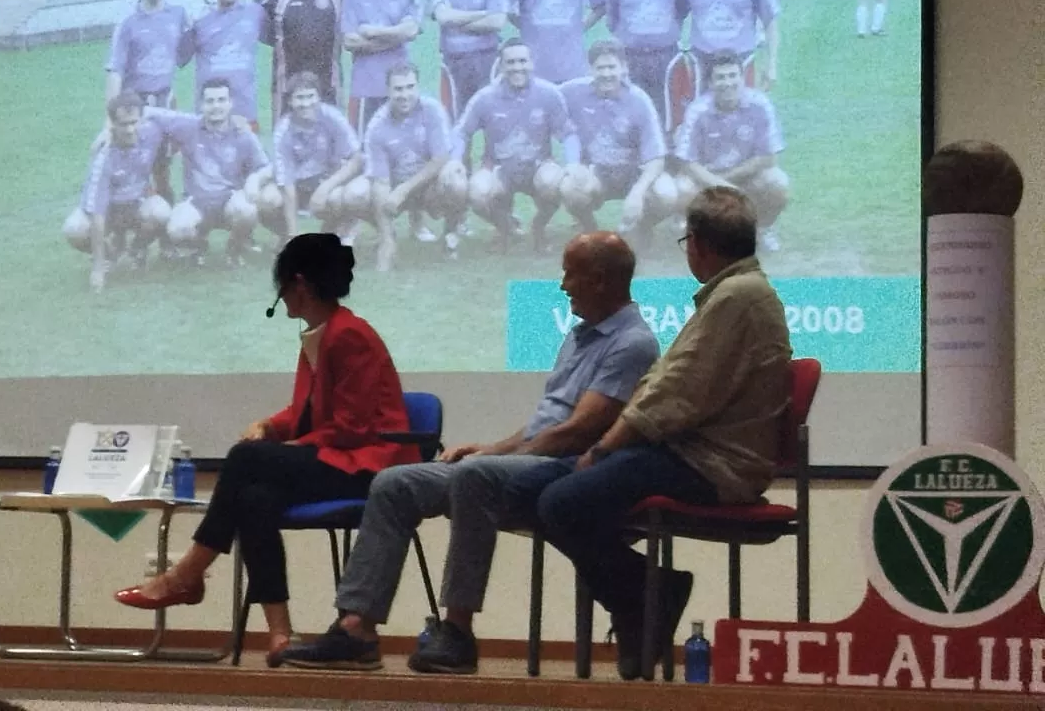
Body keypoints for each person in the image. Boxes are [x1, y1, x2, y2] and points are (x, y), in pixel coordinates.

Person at [280, 233, 658, 673]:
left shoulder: (633, 342)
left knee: (473, 477)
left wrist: (488, 462)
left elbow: (579, 432)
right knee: (395, 483)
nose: (562, 285)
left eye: (569, 273)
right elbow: (546, 424)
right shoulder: (580, 336)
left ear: (599, 279)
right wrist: (489, 449)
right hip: (532, 459)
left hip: (569, 471)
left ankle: (457, 631)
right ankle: (356, 629)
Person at [113, 233, 417, 665]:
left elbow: (352, 428)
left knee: (245, 458)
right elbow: (307, 410)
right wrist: (271, 427)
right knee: (254, 497)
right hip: (336, 457)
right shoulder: (322, 334)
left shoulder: (350, 336)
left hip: (368, 464)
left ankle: (186, 574)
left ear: (299, 285)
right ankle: (280, 633)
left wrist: (290, 445)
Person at [535, 186, 792, 680]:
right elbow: (670, 381)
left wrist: (606, 445)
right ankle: (644, 603)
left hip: (712, 465)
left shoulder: (736, 297)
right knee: (566, 494)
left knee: (559, 502)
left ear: (697, 243)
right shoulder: (735, 292)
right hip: (697, 455)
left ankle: (650, 597)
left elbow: (677, 391)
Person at [442, 38, 578, 254]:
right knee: (477, 193)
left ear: (532, 63)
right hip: (498, 169)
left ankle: (539, 227)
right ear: (501, 65)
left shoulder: (549, 94)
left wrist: (573, 164)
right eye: (511, 62)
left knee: (555, 182)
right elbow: (461, 131)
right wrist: (456, 160)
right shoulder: (485, 97)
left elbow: (568, 134)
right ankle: (507, 227)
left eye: (522, 61)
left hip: (538, 166)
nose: (517, 68)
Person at [559, 40, 677, 243]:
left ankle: (640, 226)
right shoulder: (572, 92)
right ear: (590, 69)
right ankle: (590, 229)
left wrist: (637, 193)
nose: (606, 74)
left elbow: (657, 158)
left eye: (612, 67)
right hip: (596, 172)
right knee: (569, 187)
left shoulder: (640, 100)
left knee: (667, 194)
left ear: (624, 67)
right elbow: (542, 96)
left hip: (634, 172)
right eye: (600, 68)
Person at [343, 63, 458, 269]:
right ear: (387, 91)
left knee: (455, 179)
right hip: (393, 189)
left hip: (427, 186)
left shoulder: (432, 110)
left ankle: (450, 236)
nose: (405, 94)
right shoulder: (377, 125)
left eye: (410, 87)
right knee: (354, 194)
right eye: (398, 89)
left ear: (417, 87)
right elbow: (380, 182)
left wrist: (404, 190)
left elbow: (440, 158)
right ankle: (387, 237)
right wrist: (387, 238)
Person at [675, 51, 790, 251]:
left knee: (778, 182)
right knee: (681, 188)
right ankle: (695, 232)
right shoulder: (698, 110)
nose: (727, 82)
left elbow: (769, 157)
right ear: (710, 84)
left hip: (744, 175)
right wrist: (719, 185)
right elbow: (687, 163)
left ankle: (763, 229)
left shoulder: (760, 105)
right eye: (720, 77)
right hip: (706, 178)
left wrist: (727, 181)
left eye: (732, 75)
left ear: (742, 77)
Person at [150, 79, 272, 265]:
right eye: (210, 101)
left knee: (247, 210)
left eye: (222, 100)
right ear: (201, 104)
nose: (216, 106)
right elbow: (147, 112)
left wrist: (254, 179)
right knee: (176, 229)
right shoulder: (188, 125)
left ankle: (235, 245)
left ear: (231, 103)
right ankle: (199, 245)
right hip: (197, 202)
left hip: (230, 201)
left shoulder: (242, 132)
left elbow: (266, 166)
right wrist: (111, 127)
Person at [63, 92, 173, 290]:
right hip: (108, 213)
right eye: (124, 124)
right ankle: (109, 255)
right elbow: (98, 215)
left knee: (162, 212)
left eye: (134, 122)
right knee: (74, 229)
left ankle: (136, 249)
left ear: (141, 119)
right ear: (112, 124)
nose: (130, 130)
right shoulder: (104, 157)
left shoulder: (151, 133)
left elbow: (179, 120)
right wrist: (97, 268)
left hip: (135, 206)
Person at [258, 71, 364, 239]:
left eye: (310, 96)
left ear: (319, 97)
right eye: (300, 98)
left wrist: (325, 188)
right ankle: (288, 238)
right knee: (268, 200)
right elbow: (287, 185)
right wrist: (293, 235)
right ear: (291, 101)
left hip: (327, 181)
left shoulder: (333, 116)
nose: (306, 103)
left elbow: (357, 158)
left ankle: (333, 233)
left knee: (339, 198)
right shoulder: (283, 130)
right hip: (298, 185)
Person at [257, 0, 352, 114]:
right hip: (287, 84)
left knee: (332, 135)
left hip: (329, 81)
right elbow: (253, 17)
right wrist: (277, 39)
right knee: (287, 137)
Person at [342, 0, 420, 134]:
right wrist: (396, 37)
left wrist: (373, 31)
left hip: (401, 88)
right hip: (364, 88)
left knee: (404, 151)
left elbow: (411, 30)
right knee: (363, 150)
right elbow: (350, 41)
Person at [429, 0, 506, 122]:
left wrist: (456, 19)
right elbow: (443, 18)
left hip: (487, 60)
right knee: (455, 124)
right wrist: (482, 12)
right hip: (453, 61)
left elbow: (497, 21)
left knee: (495, 122)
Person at [105, 0, 194, 107]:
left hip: (165, 101)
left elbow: (182, 58)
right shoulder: (127, 22)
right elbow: (115, 71)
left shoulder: (179, 15)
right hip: (135, 103)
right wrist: (110, 118)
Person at [191, 0, 267, 127]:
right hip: (210, 109)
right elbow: (178, 58)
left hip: (245, 109)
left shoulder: (255, 12)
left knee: (247, 152)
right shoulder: (200, 20)